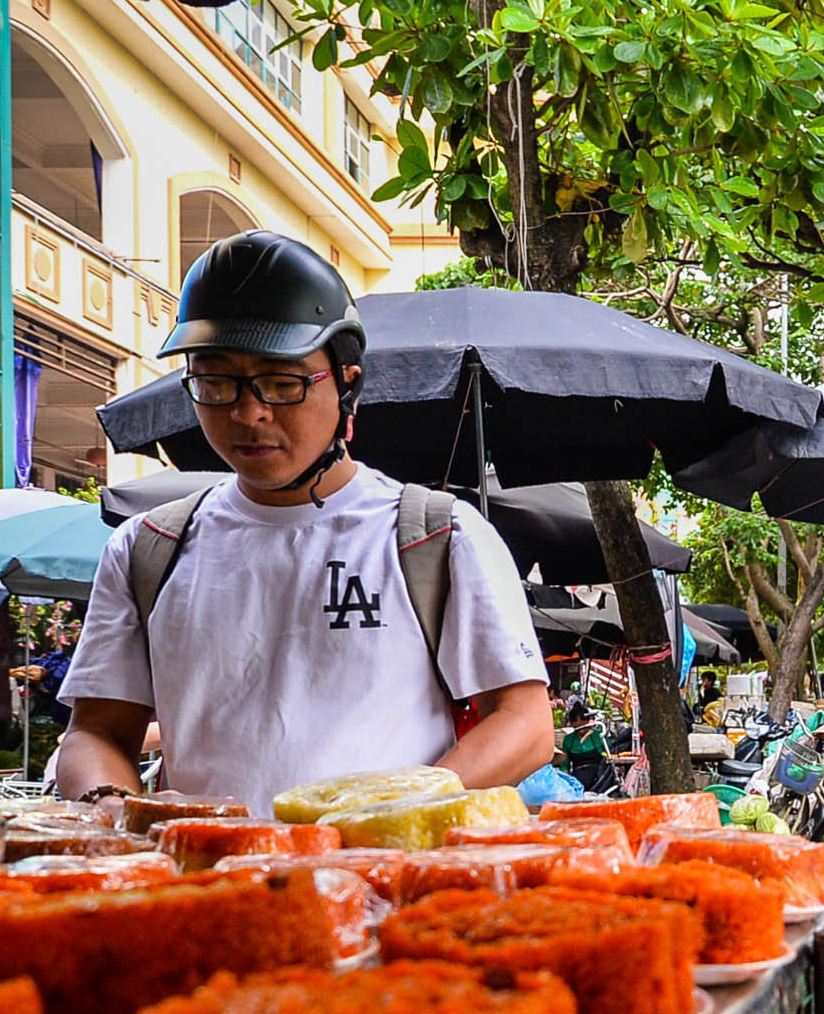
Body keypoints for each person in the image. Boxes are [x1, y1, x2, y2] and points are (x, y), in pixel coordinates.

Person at [53, 232, 553, 811]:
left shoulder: (436, 536)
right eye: (216, 383)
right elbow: (96, 732)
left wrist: (387, 814)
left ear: (348, 383)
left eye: (281, 382)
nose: (248, 411)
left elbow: (524, 724)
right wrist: (112, 804)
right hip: (210, 886)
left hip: (384, 885)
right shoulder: (148, 548)